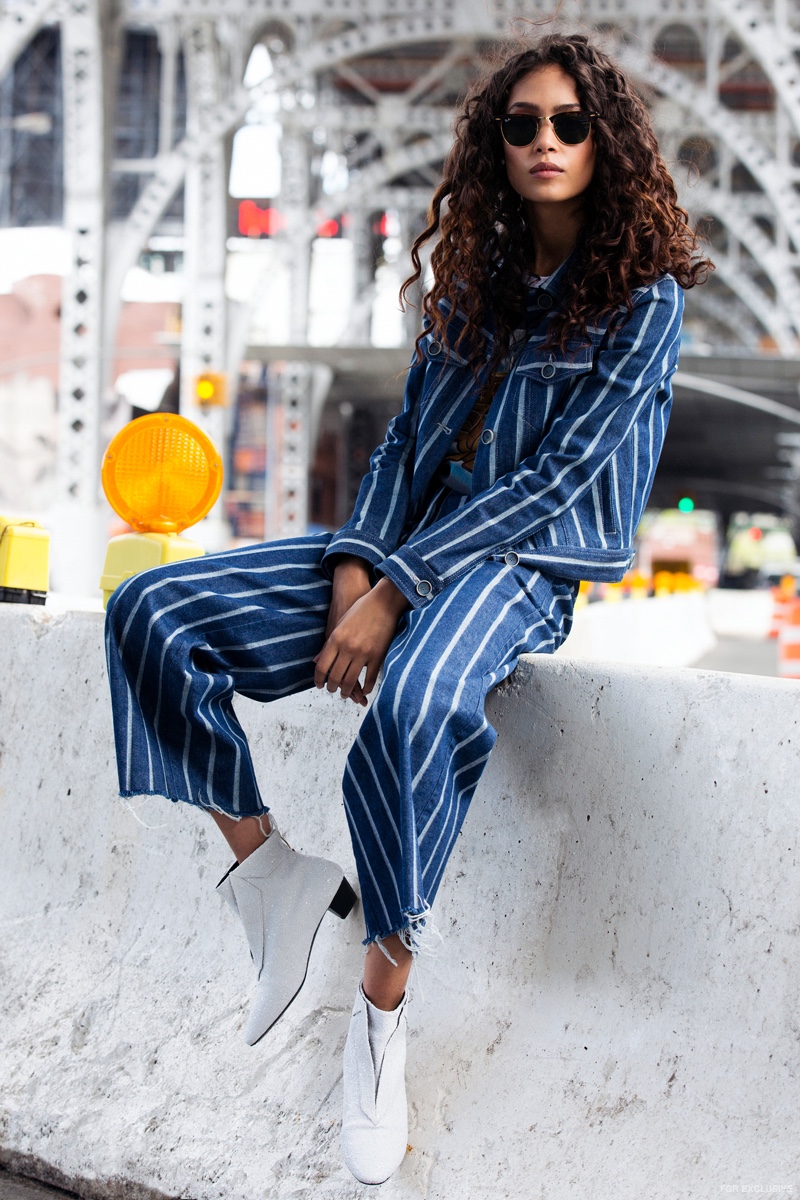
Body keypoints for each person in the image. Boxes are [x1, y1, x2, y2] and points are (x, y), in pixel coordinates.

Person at [104, 32, 709, 1187]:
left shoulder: (641, 306)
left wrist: (395, 588)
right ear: (494, 142)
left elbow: (556, 483)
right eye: (520, 123)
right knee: (154, 609)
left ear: (605, 145)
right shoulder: (469, 285)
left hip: (515, 566)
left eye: (569, 125)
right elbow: (399, 447)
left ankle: (382, 1001)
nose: (543, 142)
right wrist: (352, 563)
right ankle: (270, 875)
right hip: (394, 553)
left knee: (419, 705)